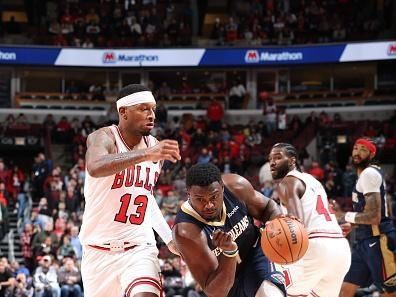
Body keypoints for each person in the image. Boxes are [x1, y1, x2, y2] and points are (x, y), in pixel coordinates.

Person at [79, 84, 181, 297]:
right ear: (123, 112)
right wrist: (146, 155)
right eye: (143, 108)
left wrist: (168, 238)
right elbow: (95, 166)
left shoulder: (154, 147)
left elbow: (145, 197)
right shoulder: (103, 137)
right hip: (98, 254)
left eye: (152, 109)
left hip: (139, 248)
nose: (151, 114)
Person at [172, 163, 286, 297]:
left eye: (214, 197)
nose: (209, 205)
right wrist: (229, 252)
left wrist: (279, 223)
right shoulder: (186, 232)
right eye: (200, 199)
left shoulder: (235, 186)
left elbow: (268, 207)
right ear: (188, 194)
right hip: (227, 286)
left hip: (256, 255)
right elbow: (216, 292)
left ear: (222, 187)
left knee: (270, 294)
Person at [268, 143, 351, 297]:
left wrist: (274, 231)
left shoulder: (287, 182)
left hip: (315, 247)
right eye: (270, 159)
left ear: (292, 161)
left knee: (282, 291)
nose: (272, 162)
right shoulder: (312, 180)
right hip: (340, 247)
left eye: (278, 157)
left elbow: (296, 223)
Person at [332, 138, 396, 296]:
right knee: (344, 290)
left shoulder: (369, 174)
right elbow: (368, 212)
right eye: (355, 148)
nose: (357, 152)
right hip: (364, 242)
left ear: (372, 154)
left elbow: (374, 217)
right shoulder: (365, 176)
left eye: (363, 149)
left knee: (389, 292)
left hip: (379, 240)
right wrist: (352, 225)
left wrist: (343, 216)